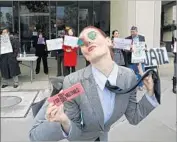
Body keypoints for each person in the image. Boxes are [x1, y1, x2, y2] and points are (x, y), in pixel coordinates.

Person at [29, 26, 159, 141]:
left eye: (92, 35)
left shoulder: (128, 77)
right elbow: (36, 135)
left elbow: (134, 116)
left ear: (108, 41)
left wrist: (150, 92)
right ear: (85, 54)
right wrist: (63, 121)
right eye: (81, 42)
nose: (86, 42)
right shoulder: (73, 83)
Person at [125, 26, 146, 91]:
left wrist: (145, 48)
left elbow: (144, 46)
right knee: (131, 73)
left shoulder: (142, 38)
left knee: (140, 73)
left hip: (139, 59)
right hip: (131, 59)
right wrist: (129, 49)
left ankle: (140, 85)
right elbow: (125, 49)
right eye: (131, 32)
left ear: (137, 31)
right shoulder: (127, 38)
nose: (132, 33)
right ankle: (132, 86)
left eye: (133, 32)